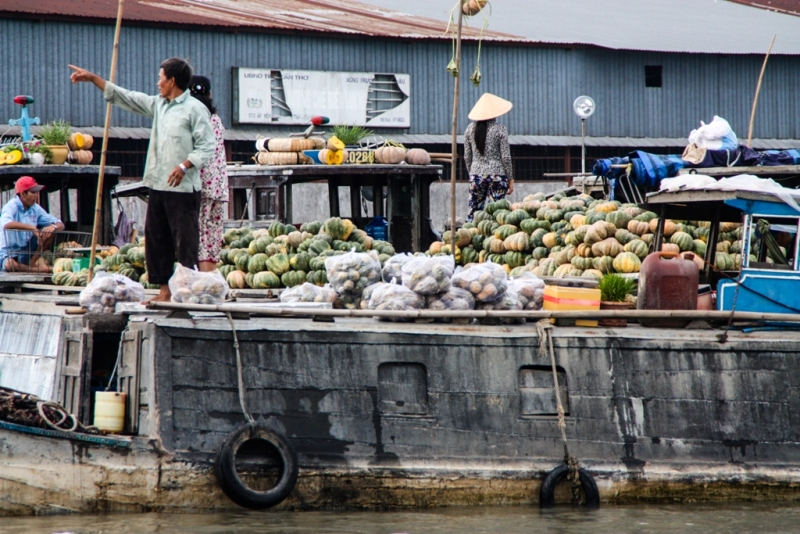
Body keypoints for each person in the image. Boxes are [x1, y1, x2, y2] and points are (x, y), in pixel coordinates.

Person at [68, 58, 216, 302]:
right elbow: (127, 97)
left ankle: (187, 292)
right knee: (156, 240)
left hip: (184, 189)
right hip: (158, 184)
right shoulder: (159, 105)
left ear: (172, 81)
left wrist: (184, 165)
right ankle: (165, 291)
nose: (158, 83)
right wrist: (94, 79)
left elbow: (206, 145)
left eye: (161, 78)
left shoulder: (194, 109)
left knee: (185, 242)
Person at [189, 75, 229, 272]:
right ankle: (212, 278)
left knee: (200, 233)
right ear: (210, 93)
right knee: (213, 233)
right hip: (219, 186)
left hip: (201, 184)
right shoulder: (216, 119)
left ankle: (204, 280)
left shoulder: (194, 117)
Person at [463, 93, 514, 222]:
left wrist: (473, 173)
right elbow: (506, 157)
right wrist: (510, 179)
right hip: (497, 176)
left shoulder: (469, 130)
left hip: (476, 175)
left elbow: (467, 157)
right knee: (496, 215)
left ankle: (470, 239)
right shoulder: (500, 129)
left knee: (474, 215)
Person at [0, 176, 64, 272]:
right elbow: (6, 224)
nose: (36, 195)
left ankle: (32, 263)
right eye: (33, 192)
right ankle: (34, 270)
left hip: (26, 250)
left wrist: (53, 226)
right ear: (23, 194)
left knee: (50, 231)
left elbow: (60, 224)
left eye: (37, 192)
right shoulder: (11, 206)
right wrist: (32, 228)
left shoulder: (35, 208)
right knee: (10, 265)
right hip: (8, 252)